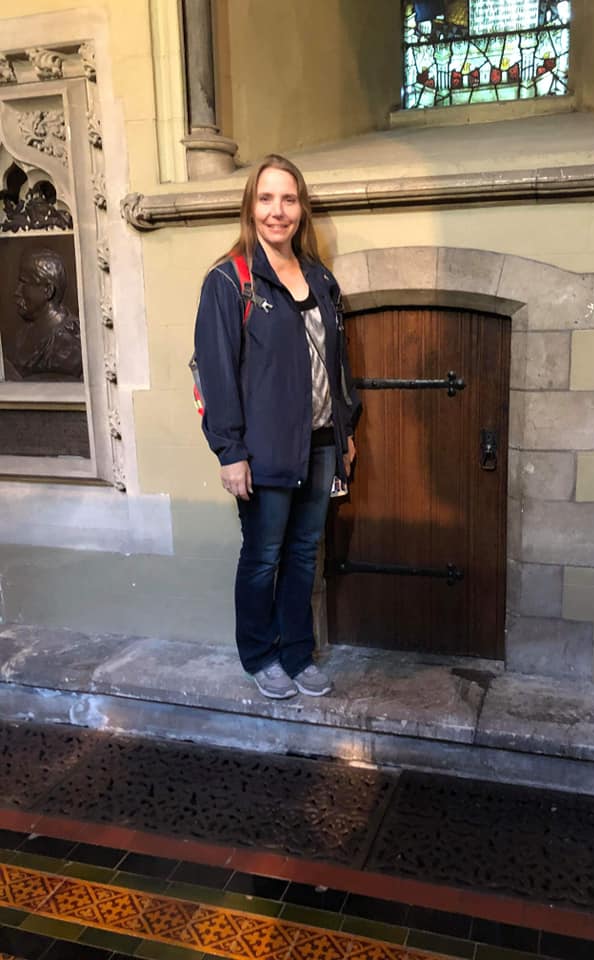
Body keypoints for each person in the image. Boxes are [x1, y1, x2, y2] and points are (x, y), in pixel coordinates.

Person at [193, 154, 360, 700]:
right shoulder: (229, 280)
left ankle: (297, 653)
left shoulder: (319, 278)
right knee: (263, 557)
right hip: (263, 449)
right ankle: (261, 656)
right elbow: (216, 371)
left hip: (320, 443)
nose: (277, 211)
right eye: (266, 198)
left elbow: (337, 363)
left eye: (288, 199)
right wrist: (230, 452)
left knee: (304, 552)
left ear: (301, 209)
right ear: (250, 207)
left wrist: (345, 432)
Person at [9, 247, 82, 380]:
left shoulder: (70, 345)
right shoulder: (23, 335)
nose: (17, 292)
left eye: (24, 283)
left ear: (48, 290)